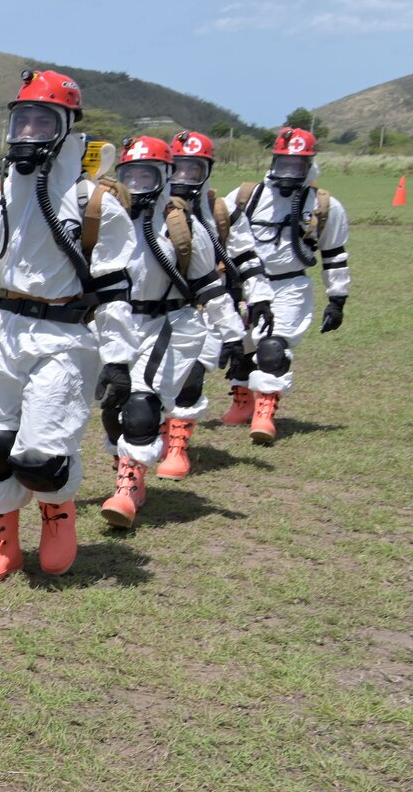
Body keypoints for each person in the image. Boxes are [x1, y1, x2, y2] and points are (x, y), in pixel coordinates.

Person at [0, 69, 138, 580]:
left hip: (62, 334)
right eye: (22, 120)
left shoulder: (94, 204)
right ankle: (4, 543)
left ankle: (58, 518)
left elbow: (113, 290)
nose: (29, 132)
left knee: (42, 454)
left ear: (67, 128)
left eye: (43, 121)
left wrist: (119, 359)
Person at [93, 136, 247, 527]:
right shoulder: (105, 217)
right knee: (113, 408)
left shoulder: (182, 224)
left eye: (149, 175)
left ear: (165, 176)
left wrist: (232, 334)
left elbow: (209, 286)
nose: (139, 184)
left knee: (142, 406)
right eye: (132, 175)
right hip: (115, 324)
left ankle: (126, 490)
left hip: (169, 322)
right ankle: (131, 472)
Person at [218, 127, 352, 443]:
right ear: (274, 161)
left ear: (309, 166)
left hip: (289, 286)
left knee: (273, 347)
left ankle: (264, 411)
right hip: (244, 284)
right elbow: (215, 233)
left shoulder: (324, 206)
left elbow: (334, 254)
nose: (289, 172)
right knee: (241, 346)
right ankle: (243, 400)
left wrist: (338, 298)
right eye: (284, 164)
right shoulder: (245, 196)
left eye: (297, 165)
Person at [160, 130, 270, 477]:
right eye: (178, 168)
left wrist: (260, 297)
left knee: (191, 376)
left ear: (207, 170)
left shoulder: (221, 210)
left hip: (206, 307)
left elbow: (246, 255)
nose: (184, 177)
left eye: (194, 169)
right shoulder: (147, 207)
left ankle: (177, 447)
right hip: (156, 309)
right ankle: (157, 435)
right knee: (155, 382)